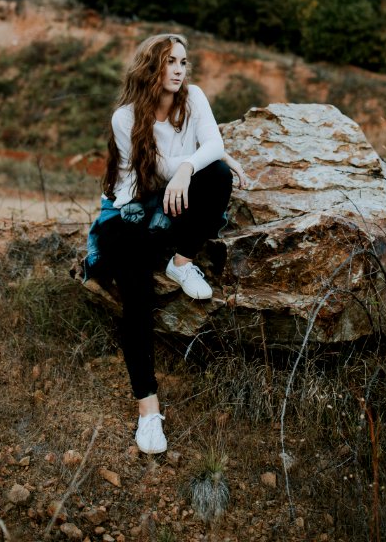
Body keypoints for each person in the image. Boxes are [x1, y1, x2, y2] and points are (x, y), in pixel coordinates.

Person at [85, 32, 247, 455]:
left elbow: (212, 144)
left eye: (183, 62)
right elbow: (153, 172)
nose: (179, 70)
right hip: (132, 211)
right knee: (136, 295)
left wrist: (201, 161)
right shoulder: (125, 118)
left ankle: (181, 260)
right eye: (170, 62)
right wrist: (202, 159)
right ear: (150, 67)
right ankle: (148, 410)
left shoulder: (194, 99)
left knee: (218, 176)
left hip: (170, 205)